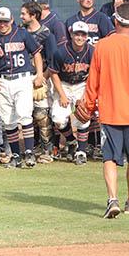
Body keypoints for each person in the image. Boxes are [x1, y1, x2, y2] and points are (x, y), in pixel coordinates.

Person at [78, 3, 129, 219]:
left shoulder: (102, 47)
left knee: (109, 157)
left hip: (109, 111)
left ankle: (112, 199)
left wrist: (87, 106)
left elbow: (92, 82)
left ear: (115, 21)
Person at [0, 7, 44, 168]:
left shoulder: (22, 34)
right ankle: (16, 155)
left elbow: (36, 52)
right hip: (3, 81)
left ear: (11, 20)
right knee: (8, 121)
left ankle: (29, 153)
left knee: (24, 116)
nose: (2, 24)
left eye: (5, 21)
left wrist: (39, 74)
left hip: (22, 79)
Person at [49, 21, 94, 165]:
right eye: (76, 34)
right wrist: (62, 94)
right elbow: (53, 73)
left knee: (83, 116)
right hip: (64, 84)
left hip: (83, 84)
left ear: (87, 36)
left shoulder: (92, 51)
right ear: (71, 34)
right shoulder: (61, 51)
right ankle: (71, 141)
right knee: (58, 120)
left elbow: (94, 75)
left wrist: (85, 95)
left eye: (83, 34)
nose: (79, 37)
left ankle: (81, 152)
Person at [20, 0, 57, 163]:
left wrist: (42, 78)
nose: (21, 16)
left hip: (41, 77)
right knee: (28, 114)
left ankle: (48, 149)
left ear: (33, 15)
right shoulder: (21, 32)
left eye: (23, 14)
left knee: (42, 115)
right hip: (24, 77)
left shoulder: (46, 34)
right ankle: (33, 146)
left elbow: (53, 60)